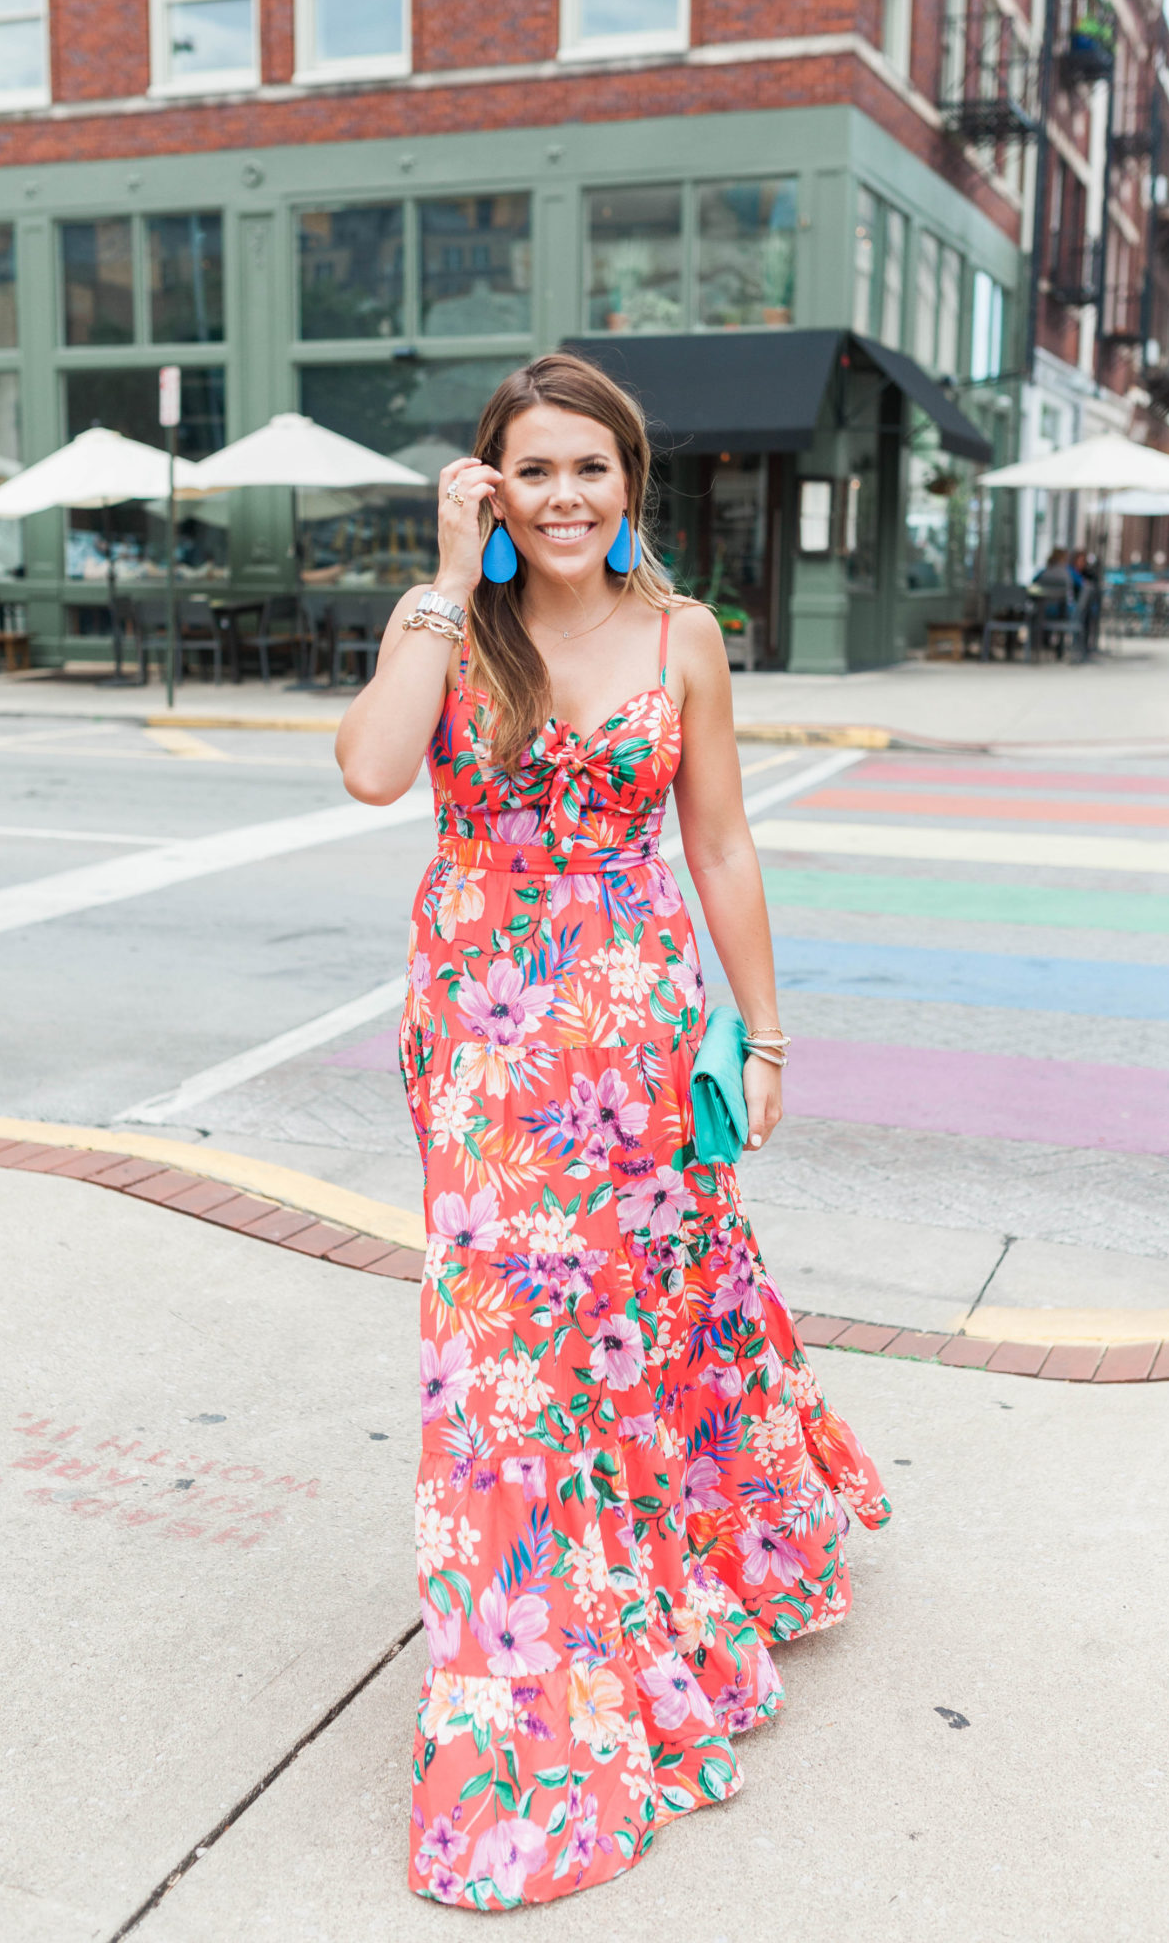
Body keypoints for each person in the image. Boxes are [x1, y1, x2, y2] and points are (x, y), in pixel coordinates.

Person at [337, 354, 890, 1912]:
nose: (566, 494)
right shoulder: (445, 622)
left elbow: (717, 839)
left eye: (594, 466)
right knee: (498, 1355)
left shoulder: (683, 637)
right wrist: (448, 580)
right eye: (535, 469)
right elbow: (377, 770)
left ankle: (672, 1567)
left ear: (630, 481)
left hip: (637, 1045)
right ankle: (522, 1699)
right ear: (489, 483)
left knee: (640, 1331)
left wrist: (765, 1033)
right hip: (483, 1051)